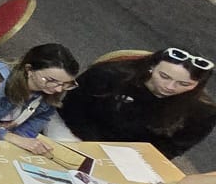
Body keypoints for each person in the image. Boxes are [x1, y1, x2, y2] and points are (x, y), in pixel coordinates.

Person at [61, 49, 216, 159]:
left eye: (183, 84)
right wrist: (96, 145)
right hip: (77, 131)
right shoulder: (109, 75)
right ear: (152, 66)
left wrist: (125, 156)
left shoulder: (203, 112)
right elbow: (71, 107)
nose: (169, 87)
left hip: (129, 156)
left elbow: (171, 148)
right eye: (164, 76)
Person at [0, 43, 81, 149]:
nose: (58, 89)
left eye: (66, 84)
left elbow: (40, 118)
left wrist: (22, 140)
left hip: (2, 140)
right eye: (51, 80)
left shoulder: (51, 89)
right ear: (29, 69)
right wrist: (11, 138)